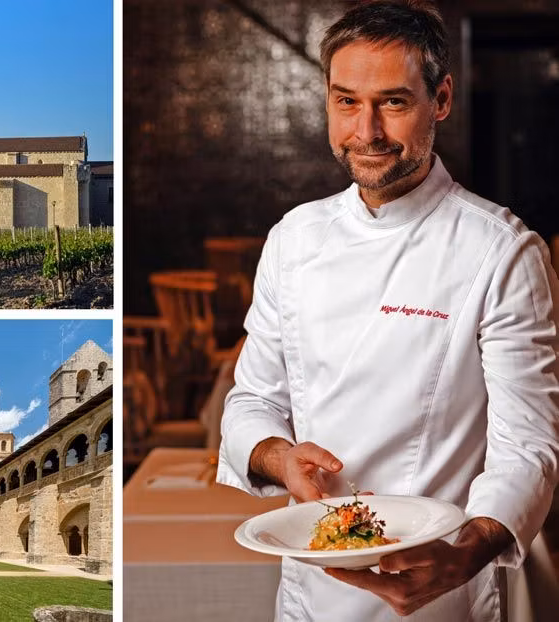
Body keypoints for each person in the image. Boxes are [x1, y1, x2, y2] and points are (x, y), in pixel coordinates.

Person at [216, 1, 559, 620]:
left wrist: (467, 555)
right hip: (312, 587)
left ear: (442, 99)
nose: (366, 132)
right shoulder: (293, 239)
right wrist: (278, 457)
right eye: (347, 101)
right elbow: (252, 402)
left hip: (445, 585)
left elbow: (528, 445)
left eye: (393, 103)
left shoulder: (502, 250)